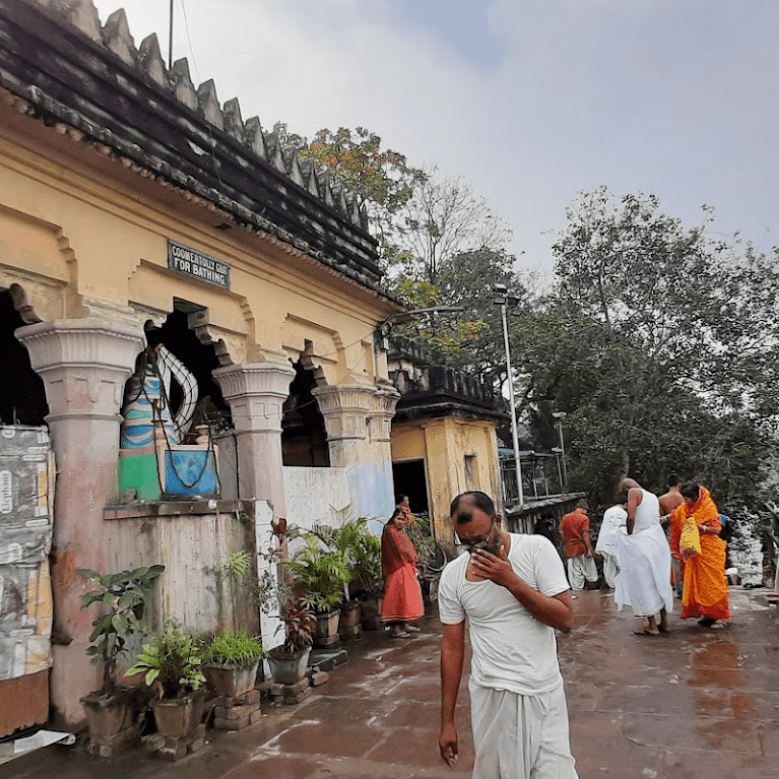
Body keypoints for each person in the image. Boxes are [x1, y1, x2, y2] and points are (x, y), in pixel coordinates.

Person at [438, 490, 578, 778]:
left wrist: (511, 580)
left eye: (480, 539)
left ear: (497, 520)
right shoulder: (453, 576)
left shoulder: (535, 549)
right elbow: (452, 648)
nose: (475, 549)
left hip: (541, 692)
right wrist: (447, 721)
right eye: (465, 543)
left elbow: (565, 620)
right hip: (491, 697)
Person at [612, 478, 673, 635]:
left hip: (642, 542)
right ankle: (664, 621)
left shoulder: (634, 492)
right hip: (658, 540)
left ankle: (652, 625)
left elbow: (631, 516)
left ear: (627, 488)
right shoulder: (652, 496)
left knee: (644, 582)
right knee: (660, 580)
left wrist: (629, 533)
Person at [670, 482, 730, 628]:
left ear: (695, 497)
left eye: (687, 498)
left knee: (712, 584)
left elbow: (716, 529)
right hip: (694, 551)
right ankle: (706, 614)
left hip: (709, 550)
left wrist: (699, 526)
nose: (685, 502)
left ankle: (719, 616)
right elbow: (677, 514)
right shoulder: (686, 508)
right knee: (698, 584)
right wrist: (667, 518)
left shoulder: (708, 507)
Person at [381, 507, 424, 637]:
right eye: (398, 519)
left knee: (406, 598)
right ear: (393, 518)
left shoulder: (399, 530)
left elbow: (407, 548)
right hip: (395, 568)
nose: (401, 522)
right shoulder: (390, 530)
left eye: (403, 520)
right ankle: (396, 629)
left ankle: (404, 625)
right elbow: (400, 550)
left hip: (405, 566)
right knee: (397, 598)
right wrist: (412, 558)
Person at [559, 499, 598, 590]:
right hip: (582, 548)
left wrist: (566, 543)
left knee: (575, 577)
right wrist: (588, 550)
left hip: (571, 550)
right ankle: (591, 594)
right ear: (584, 509)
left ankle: (578, 597)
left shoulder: (565, 517)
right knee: (591, 574)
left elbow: (561, 531)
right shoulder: (584, 518)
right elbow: (585, 535)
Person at [659, 475, 685, 599]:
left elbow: (659, 517)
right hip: (686, 529)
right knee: (688, 556)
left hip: (672, 529)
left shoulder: (662, 499)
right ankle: (689, 587)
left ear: (668, 485)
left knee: (675, 558)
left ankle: (679, 588)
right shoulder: (684, 498)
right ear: (679, 484)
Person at [595, 493, 628, 589]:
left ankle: (613, 587)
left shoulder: (608, 511)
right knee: (622, 566)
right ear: (625, 504)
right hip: (617, 542)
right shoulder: (623, 513)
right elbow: (623, 529)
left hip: (605, 542)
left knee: (609, 567)